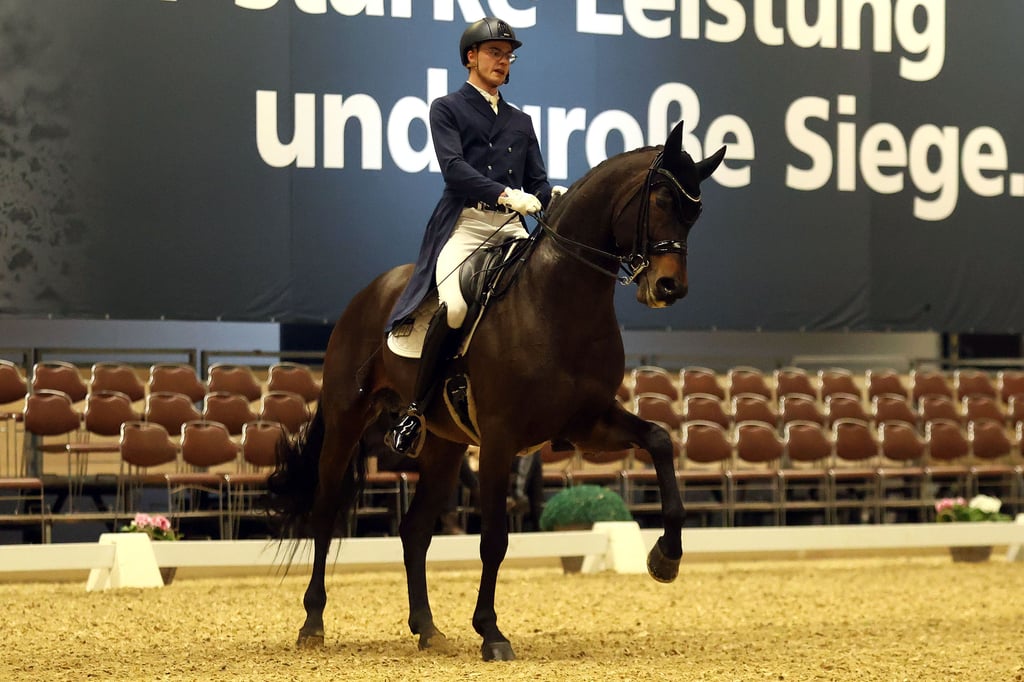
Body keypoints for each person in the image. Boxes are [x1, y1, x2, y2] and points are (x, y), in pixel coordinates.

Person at [385, 16, 554, 456]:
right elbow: (454, 169)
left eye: (507, 55)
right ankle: (417, 409)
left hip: (511, 229)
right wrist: (503, 194)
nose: (503, 61)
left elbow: (537, 179)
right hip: (466, 223)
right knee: (456, 304)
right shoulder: (448, 107)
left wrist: (549, 196)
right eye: (495, 53)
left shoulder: (521, 120)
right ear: (471, 57)